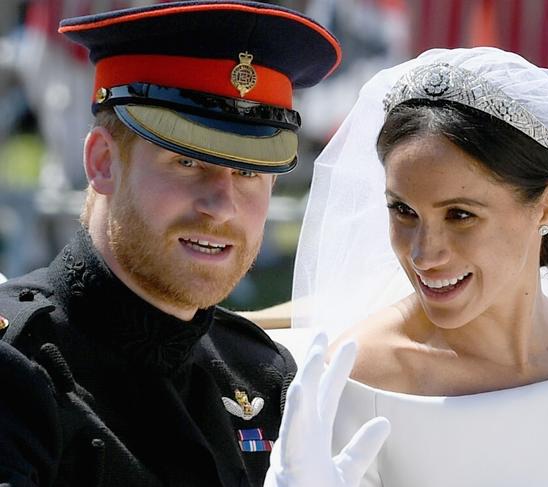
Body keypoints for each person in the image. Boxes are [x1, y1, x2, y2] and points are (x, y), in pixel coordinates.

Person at [0, 2, 389, 486]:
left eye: (248, 171)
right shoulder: (17, 366)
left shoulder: (263, 375)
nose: (222, 205)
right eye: (187, 163)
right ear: (102, 161)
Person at [291, 47, 548, 485]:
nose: (424, 254)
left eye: (460, 215)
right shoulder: (358, 376)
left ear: (547, 206)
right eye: (403, 211)